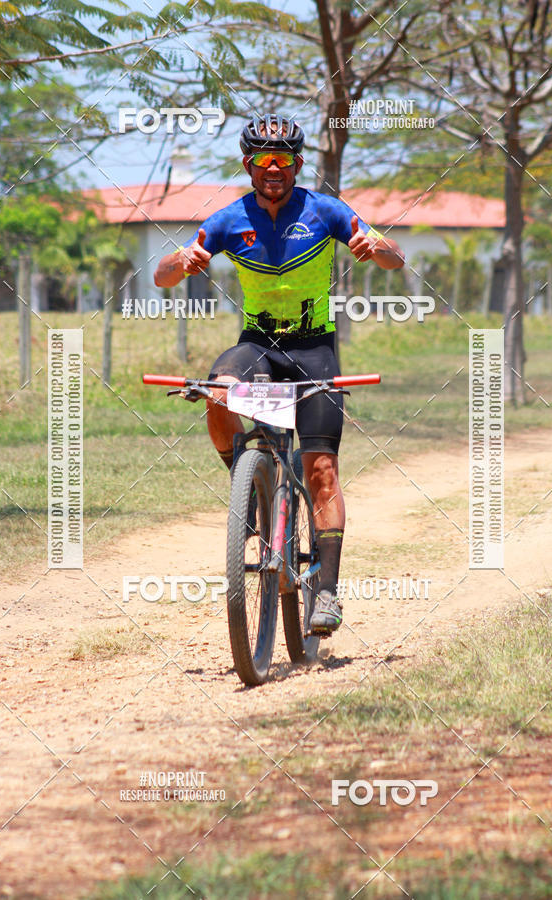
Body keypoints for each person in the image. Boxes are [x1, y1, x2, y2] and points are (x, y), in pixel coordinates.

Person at [154, 113, 405, 635]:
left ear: (297, 164)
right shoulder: (229, 219)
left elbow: (395, 261)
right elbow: (161, 276)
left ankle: (328, 592)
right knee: (218, 392)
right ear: (248, 164)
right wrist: (182, 262)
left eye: (284, 159)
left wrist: (376, 248)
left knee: (321, 473)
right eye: (264, 159)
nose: (275, 168)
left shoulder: (326, 211)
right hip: (258, 347)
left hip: (314, 349)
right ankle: (246, 489)